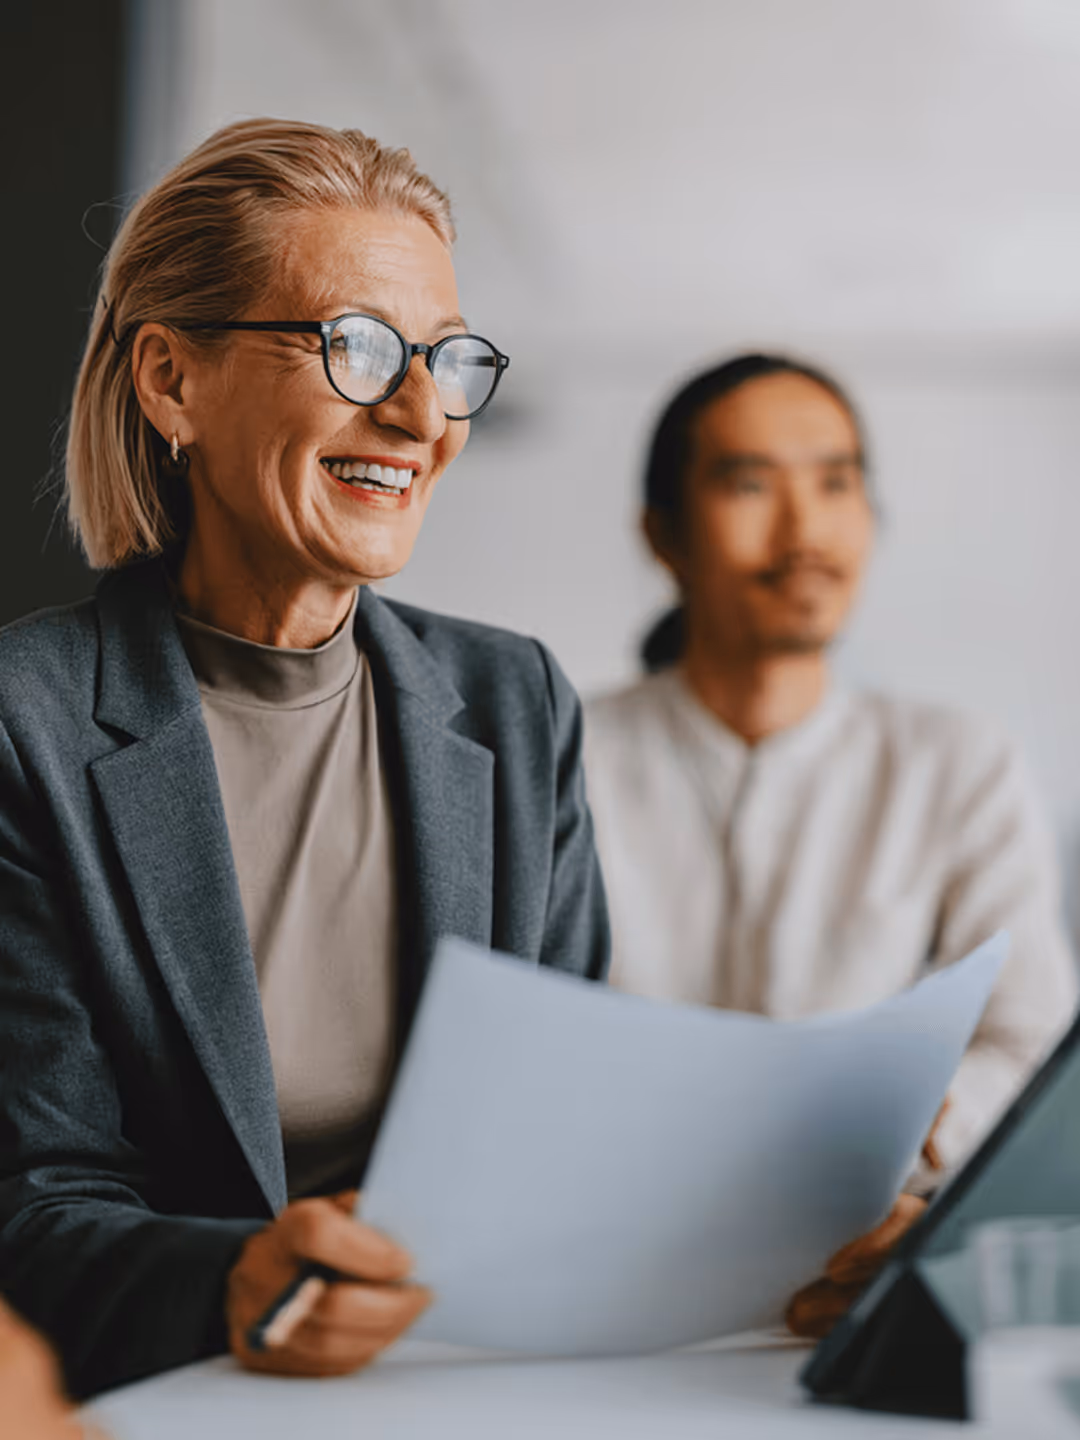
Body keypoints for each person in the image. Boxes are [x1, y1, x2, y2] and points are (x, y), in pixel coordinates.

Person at [0, 118, 608, 1399]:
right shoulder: (26, 723)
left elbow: (566, 1126)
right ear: (171, 381)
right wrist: (234, 1284)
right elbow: (34, 1198)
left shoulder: (513, 701)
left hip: (464, 1384)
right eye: (359, 347)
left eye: (445, 359)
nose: (419, 411)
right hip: (160, 1398)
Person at [584, 355, 1078, 1256]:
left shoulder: (955, 762)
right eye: (749, 484)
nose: (805, 530)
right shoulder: (562, 757)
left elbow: (1028, 1039)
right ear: (663, 534)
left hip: (870, 1249)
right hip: (605, 1243)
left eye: (836, 483)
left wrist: (913, 1125)